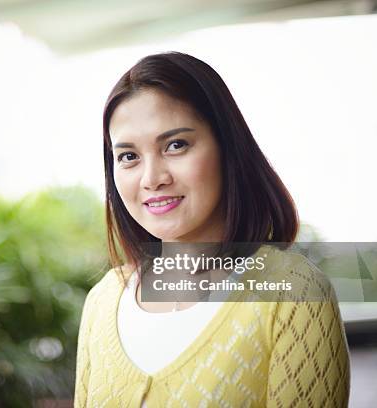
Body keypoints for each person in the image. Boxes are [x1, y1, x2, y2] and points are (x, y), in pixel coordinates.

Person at [74, 52, 350, 407]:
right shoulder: (102, 300)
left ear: (227, 148)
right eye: (128, 156)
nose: (152, 178)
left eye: (176, 145)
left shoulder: (294, 294)